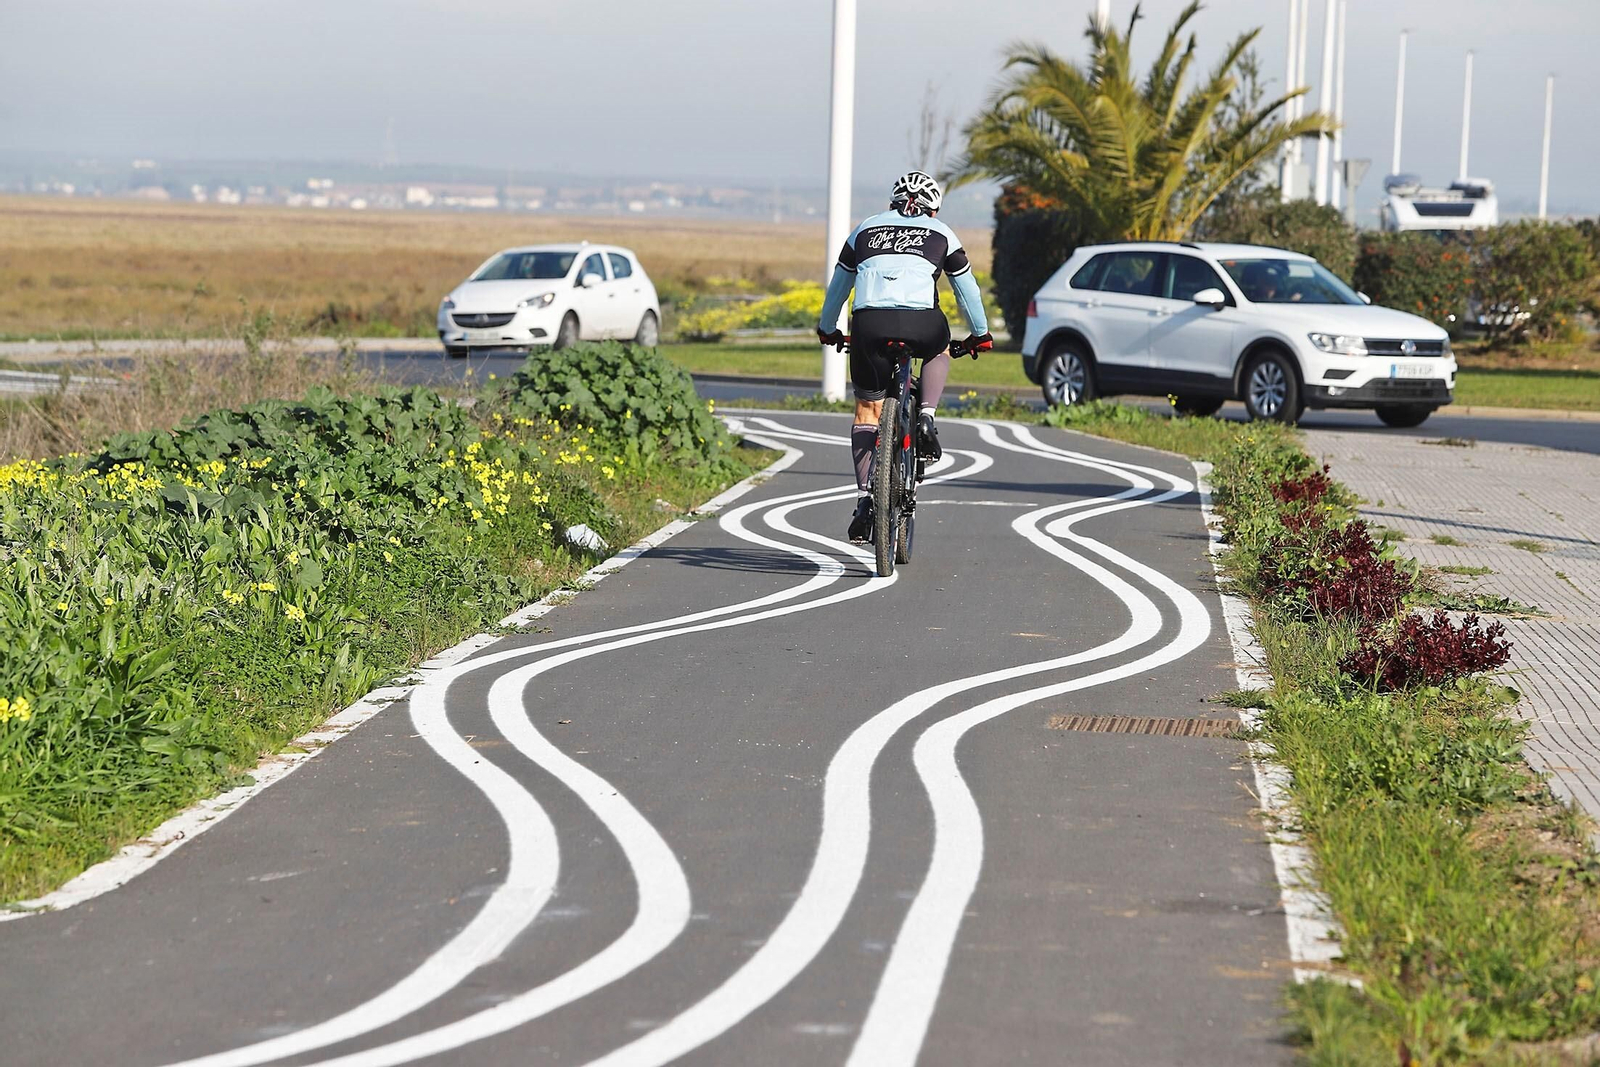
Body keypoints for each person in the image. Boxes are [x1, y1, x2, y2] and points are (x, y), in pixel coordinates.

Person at [816, 170, 992, 543]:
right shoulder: (942, 232)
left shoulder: (864, 230)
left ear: (893, 201)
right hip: (922, 323)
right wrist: (979, 334)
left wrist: (828, 327)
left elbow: (838, 287)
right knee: (939, 347)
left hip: (869, 325)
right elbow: (968, 292)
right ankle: (926, 416)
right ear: (933, 208)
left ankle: (865, 499)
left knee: (867, 410)